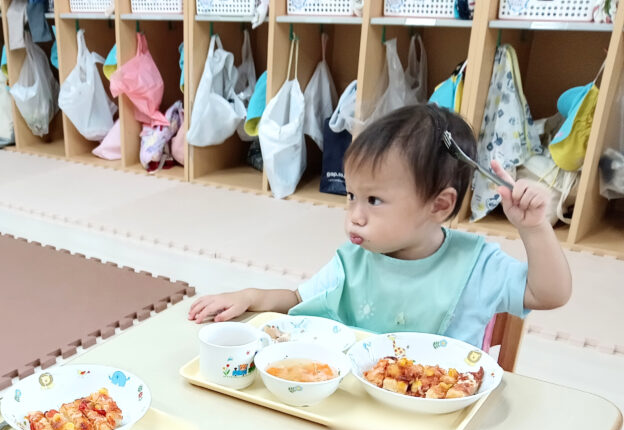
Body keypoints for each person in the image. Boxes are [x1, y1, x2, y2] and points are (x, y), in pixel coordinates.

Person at [188, 104, 572, 348]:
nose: (355, 215)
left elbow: (549, 294)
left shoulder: (478, 265)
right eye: (351, 196)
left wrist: (535, 229)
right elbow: (299, 301)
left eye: (373, 200)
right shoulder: (355, 259)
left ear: (439, 205)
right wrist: (253, 296)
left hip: (438, 410)